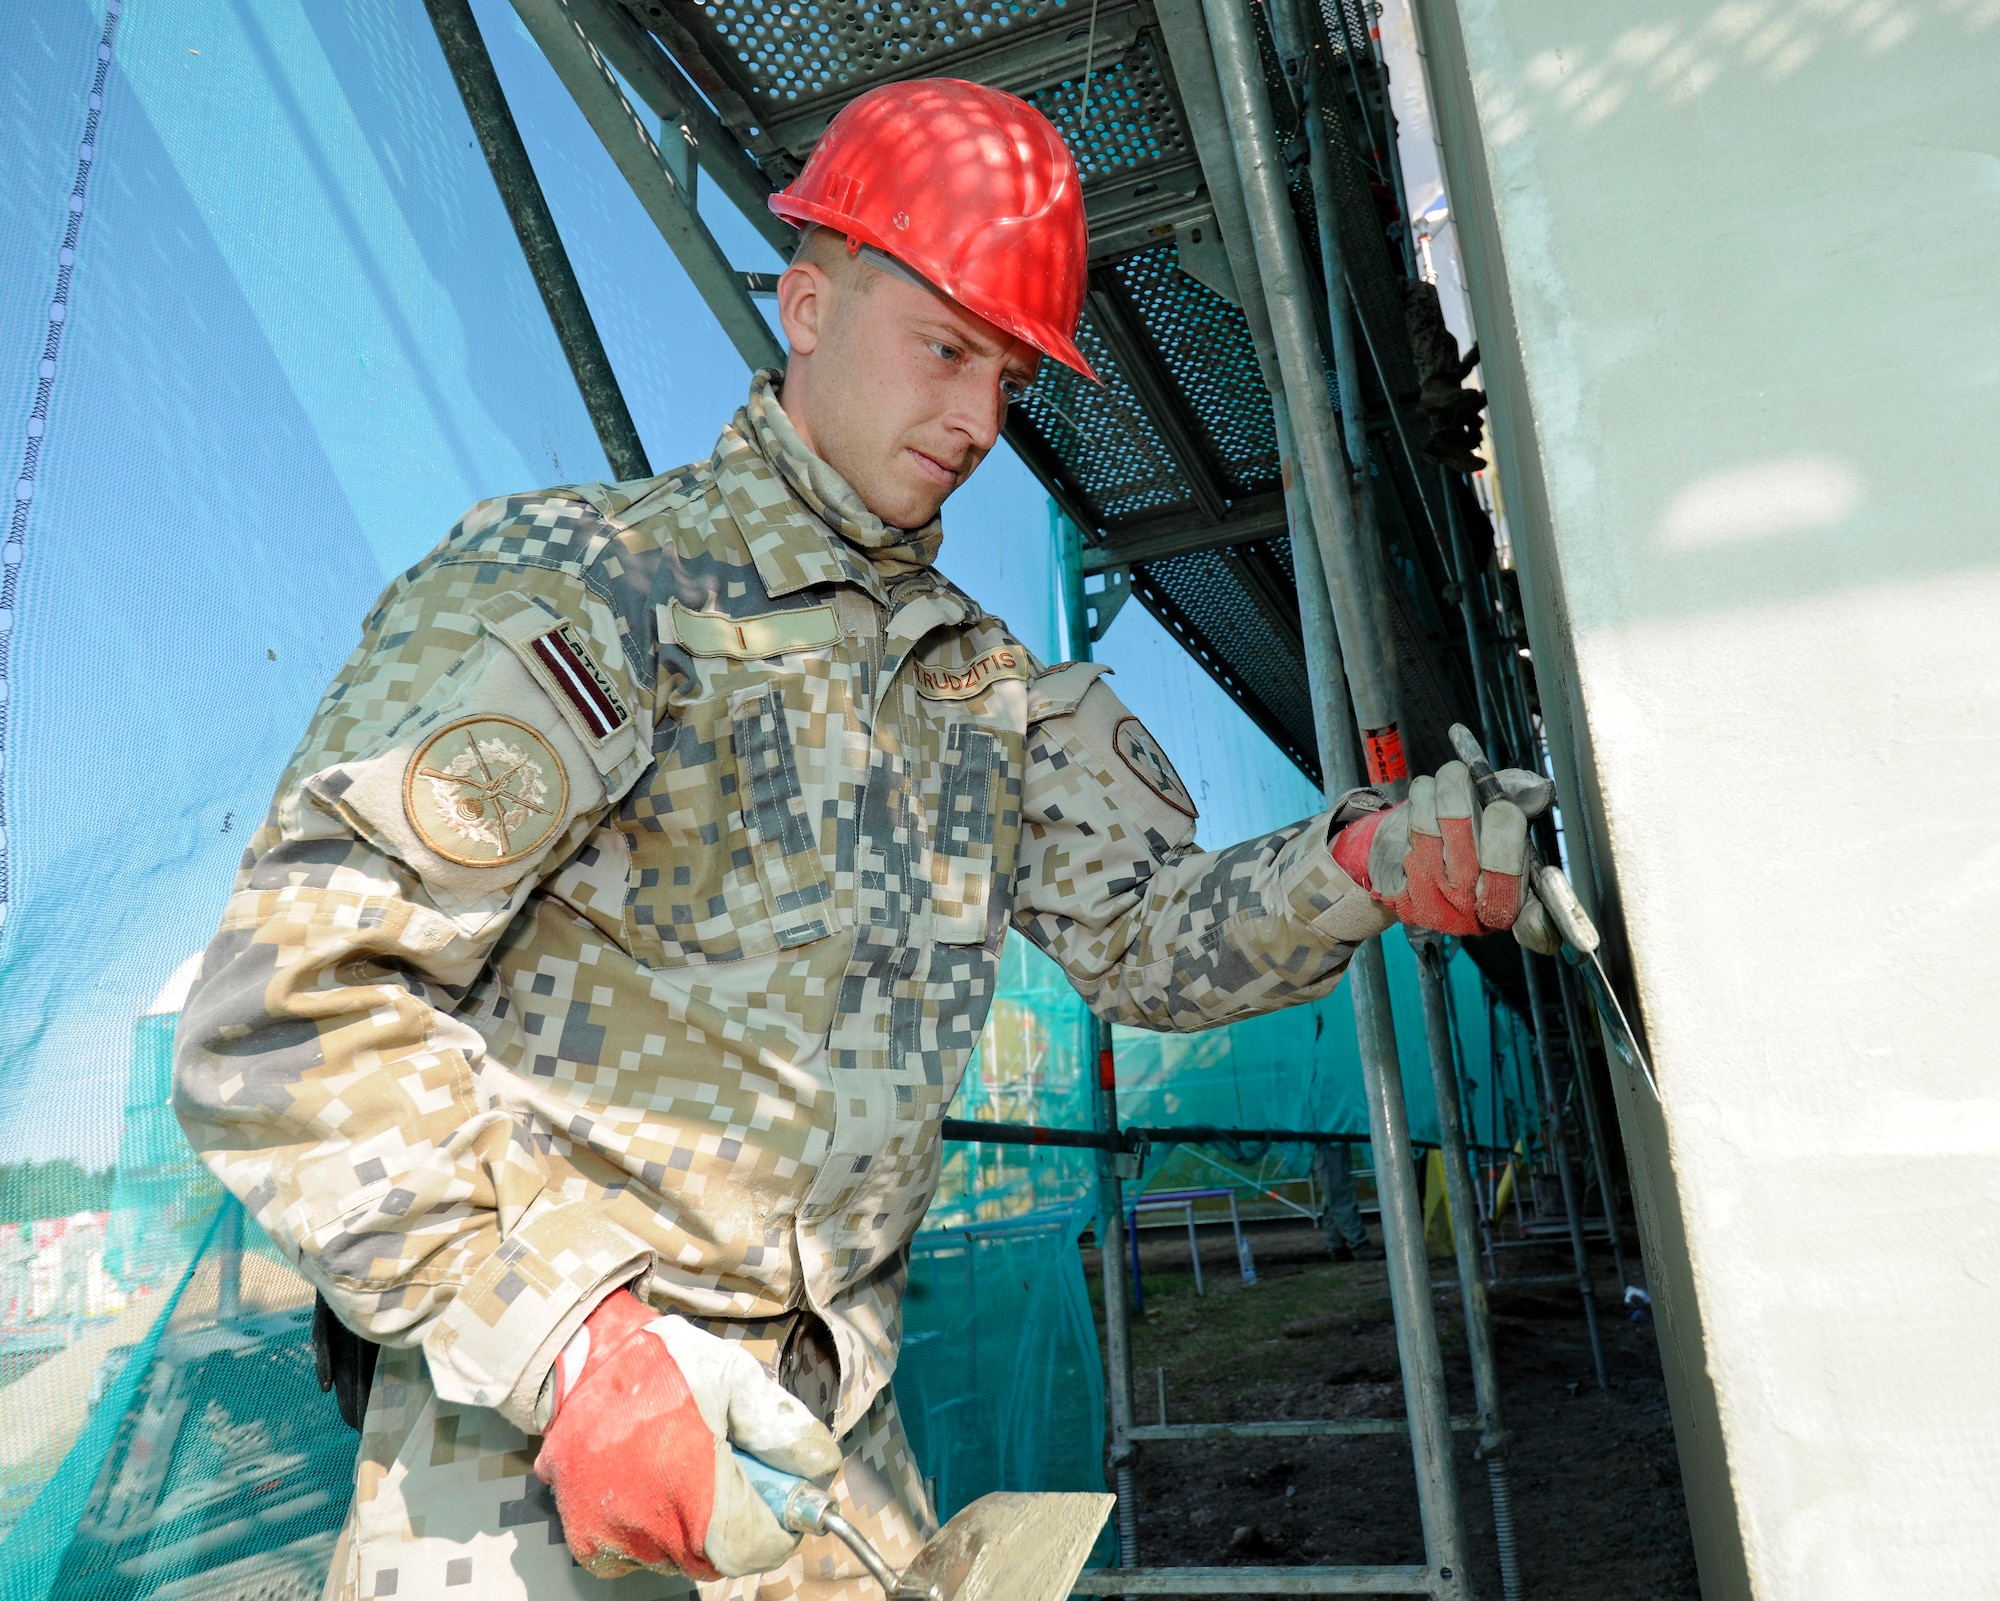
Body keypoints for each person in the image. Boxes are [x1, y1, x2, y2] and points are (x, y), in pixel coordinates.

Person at [172, 77, 1553, 1601]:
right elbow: (285, 1007)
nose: (977, 420)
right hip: (543, 1448)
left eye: (1011, 376)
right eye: (946, 348)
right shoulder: (598, 588)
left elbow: (1152, 940)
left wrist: (1361, 868)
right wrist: (579, 1346)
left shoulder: (986, 691)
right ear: (811, 305)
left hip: (826, 1452)